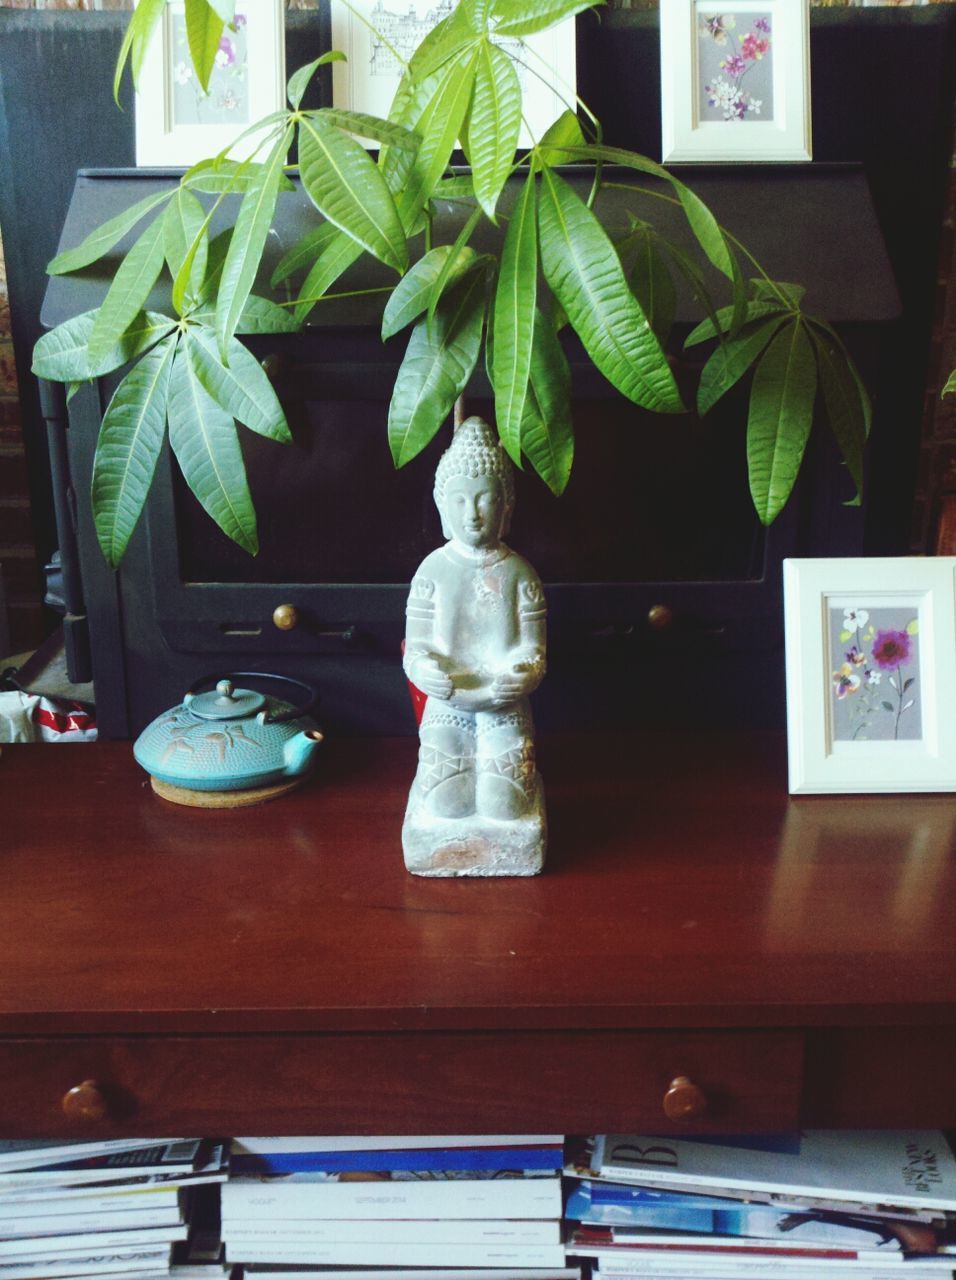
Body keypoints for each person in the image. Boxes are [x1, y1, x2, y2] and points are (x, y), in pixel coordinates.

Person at [402, 417, 547, 873]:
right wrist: (425, 671)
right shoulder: (432, 572)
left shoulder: (520, 574)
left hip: (504, 703)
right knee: (448, 800)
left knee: (506, 803)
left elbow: (534, 652)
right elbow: (418, 648)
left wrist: (522, 673)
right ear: (442, 507)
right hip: (450, 703)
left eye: (485, 498)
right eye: (460, 500)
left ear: (506, 506)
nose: (473, 513)